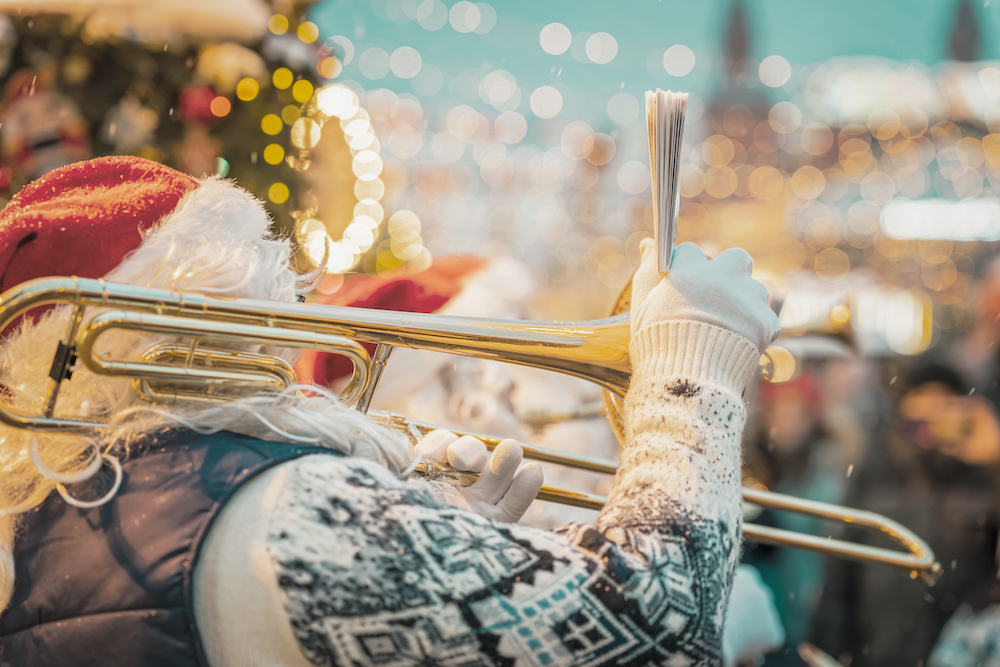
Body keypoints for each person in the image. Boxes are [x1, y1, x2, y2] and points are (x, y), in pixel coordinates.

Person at [0, 156, 779, 666]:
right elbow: (660, 626)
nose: (290, 313)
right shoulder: (281, 510)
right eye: (269, 288)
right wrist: (693, 377)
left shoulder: (72, 515)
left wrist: (445, 534)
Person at [811, 363, 1000, 667]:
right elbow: (841, 564)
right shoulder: (877, 469)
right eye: (923, 398)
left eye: (946, 401)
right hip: (875, 650)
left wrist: (995, 462)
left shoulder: (983, 478)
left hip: (958, 651)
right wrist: (828, 647)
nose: (933, 411)